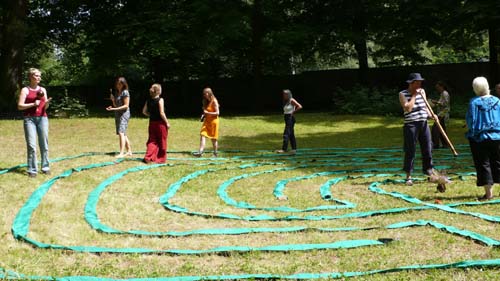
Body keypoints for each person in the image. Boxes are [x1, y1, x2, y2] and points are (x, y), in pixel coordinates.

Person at [466, 77, 500, 200]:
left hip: (480, 138)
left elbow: (471, 121)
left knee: (483, 164)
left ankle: (489, 194)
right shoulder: (497, 101)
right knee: (497, 162)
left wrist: (472, 132)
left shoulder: (474, 102)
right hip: (497, 136)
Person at [399, 73, 436, 186]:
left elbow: (425, 107)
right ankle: (408, 176)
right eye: (417, 82)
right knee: (410, 150)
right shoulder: (402, 94)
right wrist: (414, 95)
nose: (420, 83)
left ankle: (429, 172)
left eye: (420, 82)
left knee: (428, 148)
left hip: (423, 123)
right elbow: (408, 108)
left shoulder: (423, 91)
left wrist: (432, 115)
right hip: (411, 125)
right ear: (411, 83)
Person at [17, 68, 52, 178]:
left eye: (39, 76)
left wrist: (46, 103)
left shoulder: (43, 89)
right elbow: (20, 106)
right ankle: (32, 170)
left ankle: (45, 167)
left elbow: (45, 107)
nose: (39, 78)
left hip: (42, 118)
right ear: (31, 77)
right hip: (29, 120)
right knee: (32, 145)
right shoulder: (25, 90)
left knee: (44, 144)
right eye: (36, 75)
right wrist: (33, 104)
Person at [142, 83, 170, 163]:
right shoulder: (160, 100)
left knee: (152, 141)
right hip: (160, 124)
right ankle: (160, 158)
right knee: (162, 141)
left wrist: (151, 115)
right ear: (158, 91)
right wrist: (167, 123)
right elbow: (161, 112)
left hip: (152, 123)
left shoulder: (148, 100)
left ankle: (148, 157)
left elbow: (144, 112)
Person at [106, 77, 132, 158]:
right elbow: (116, 105)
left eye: (120, 84)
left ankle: (121, 153)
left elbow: (126, 106)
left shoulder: (125, 92)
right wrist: (113, 100)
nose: (118, 85)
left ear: (124, 84)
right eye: (117, 83)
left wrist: (114, 109)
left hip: (124, 114)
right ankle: (129, 151)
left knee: (121, 132)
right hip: (118, 114)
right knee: (123, 133)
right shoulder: (118, 93)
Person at [193, 87, 220, 157]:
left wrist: (208, 113)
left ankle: (215, 153)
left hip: (214, 122)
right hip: (207, 121)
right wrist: (203, 115)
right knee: (203, 134)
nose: (205, 95)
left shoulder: (214, 101)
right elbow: (205, 112)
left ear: (210, 93)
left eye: (206, 93)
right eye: (204, 94)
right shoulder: (205, 101)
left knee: (213, 138)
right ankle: (200, 152)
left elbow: (217, 113)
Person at [275, 89, 302, 155]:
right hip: (287, 118)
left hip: (290, 118)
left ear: (288, 94)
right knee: (291, 135)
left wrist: (293, 112)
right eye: (283, 94)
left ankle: (284, 149)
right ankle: (294, 149)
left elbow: (300, 106)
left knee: (286, 134)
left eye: (285, 94)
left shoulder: (291, 100)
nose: (284, 95)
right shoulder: (286, 101)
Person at [430, 81, 451, 149]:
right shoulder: (442, 94)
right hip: (441, 113)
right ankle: (445, 144)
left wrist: (436, 102)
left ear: (442, 86)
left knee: (435, 129)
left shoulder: (445, 93)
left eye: (438, 87)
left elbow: (445, 104)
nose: (437, 89)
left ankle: (436, 144)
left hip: (443, 114)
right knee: (442, 130)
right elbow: (441, 103)